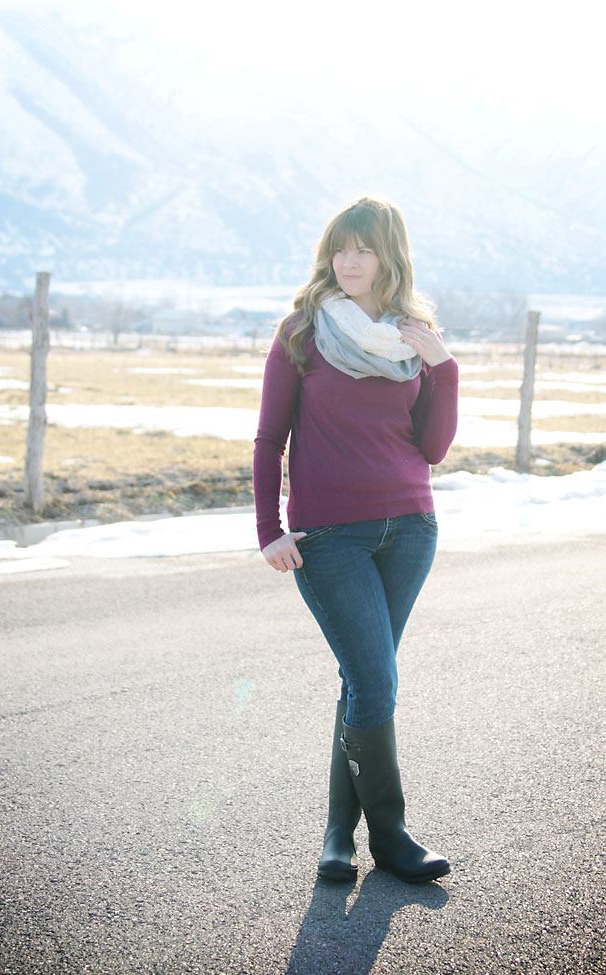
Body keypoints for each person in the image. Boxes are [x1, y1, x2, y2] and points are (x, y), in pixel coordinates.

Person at [253, 196, 459, 884]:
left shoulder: (413, 337)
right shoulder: (303, 332)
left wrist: (445, 369)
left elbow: (430, 447)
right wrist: (268, 530)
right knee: (375, 680)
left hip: (411, 528)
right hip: (330, 537)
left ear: (388, 255)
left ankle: (338, 834)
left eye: (364, 249)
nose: (349, 261)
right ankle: (391, 835)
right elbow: (268, 438)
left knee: (362, 680)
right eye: (340, 248)